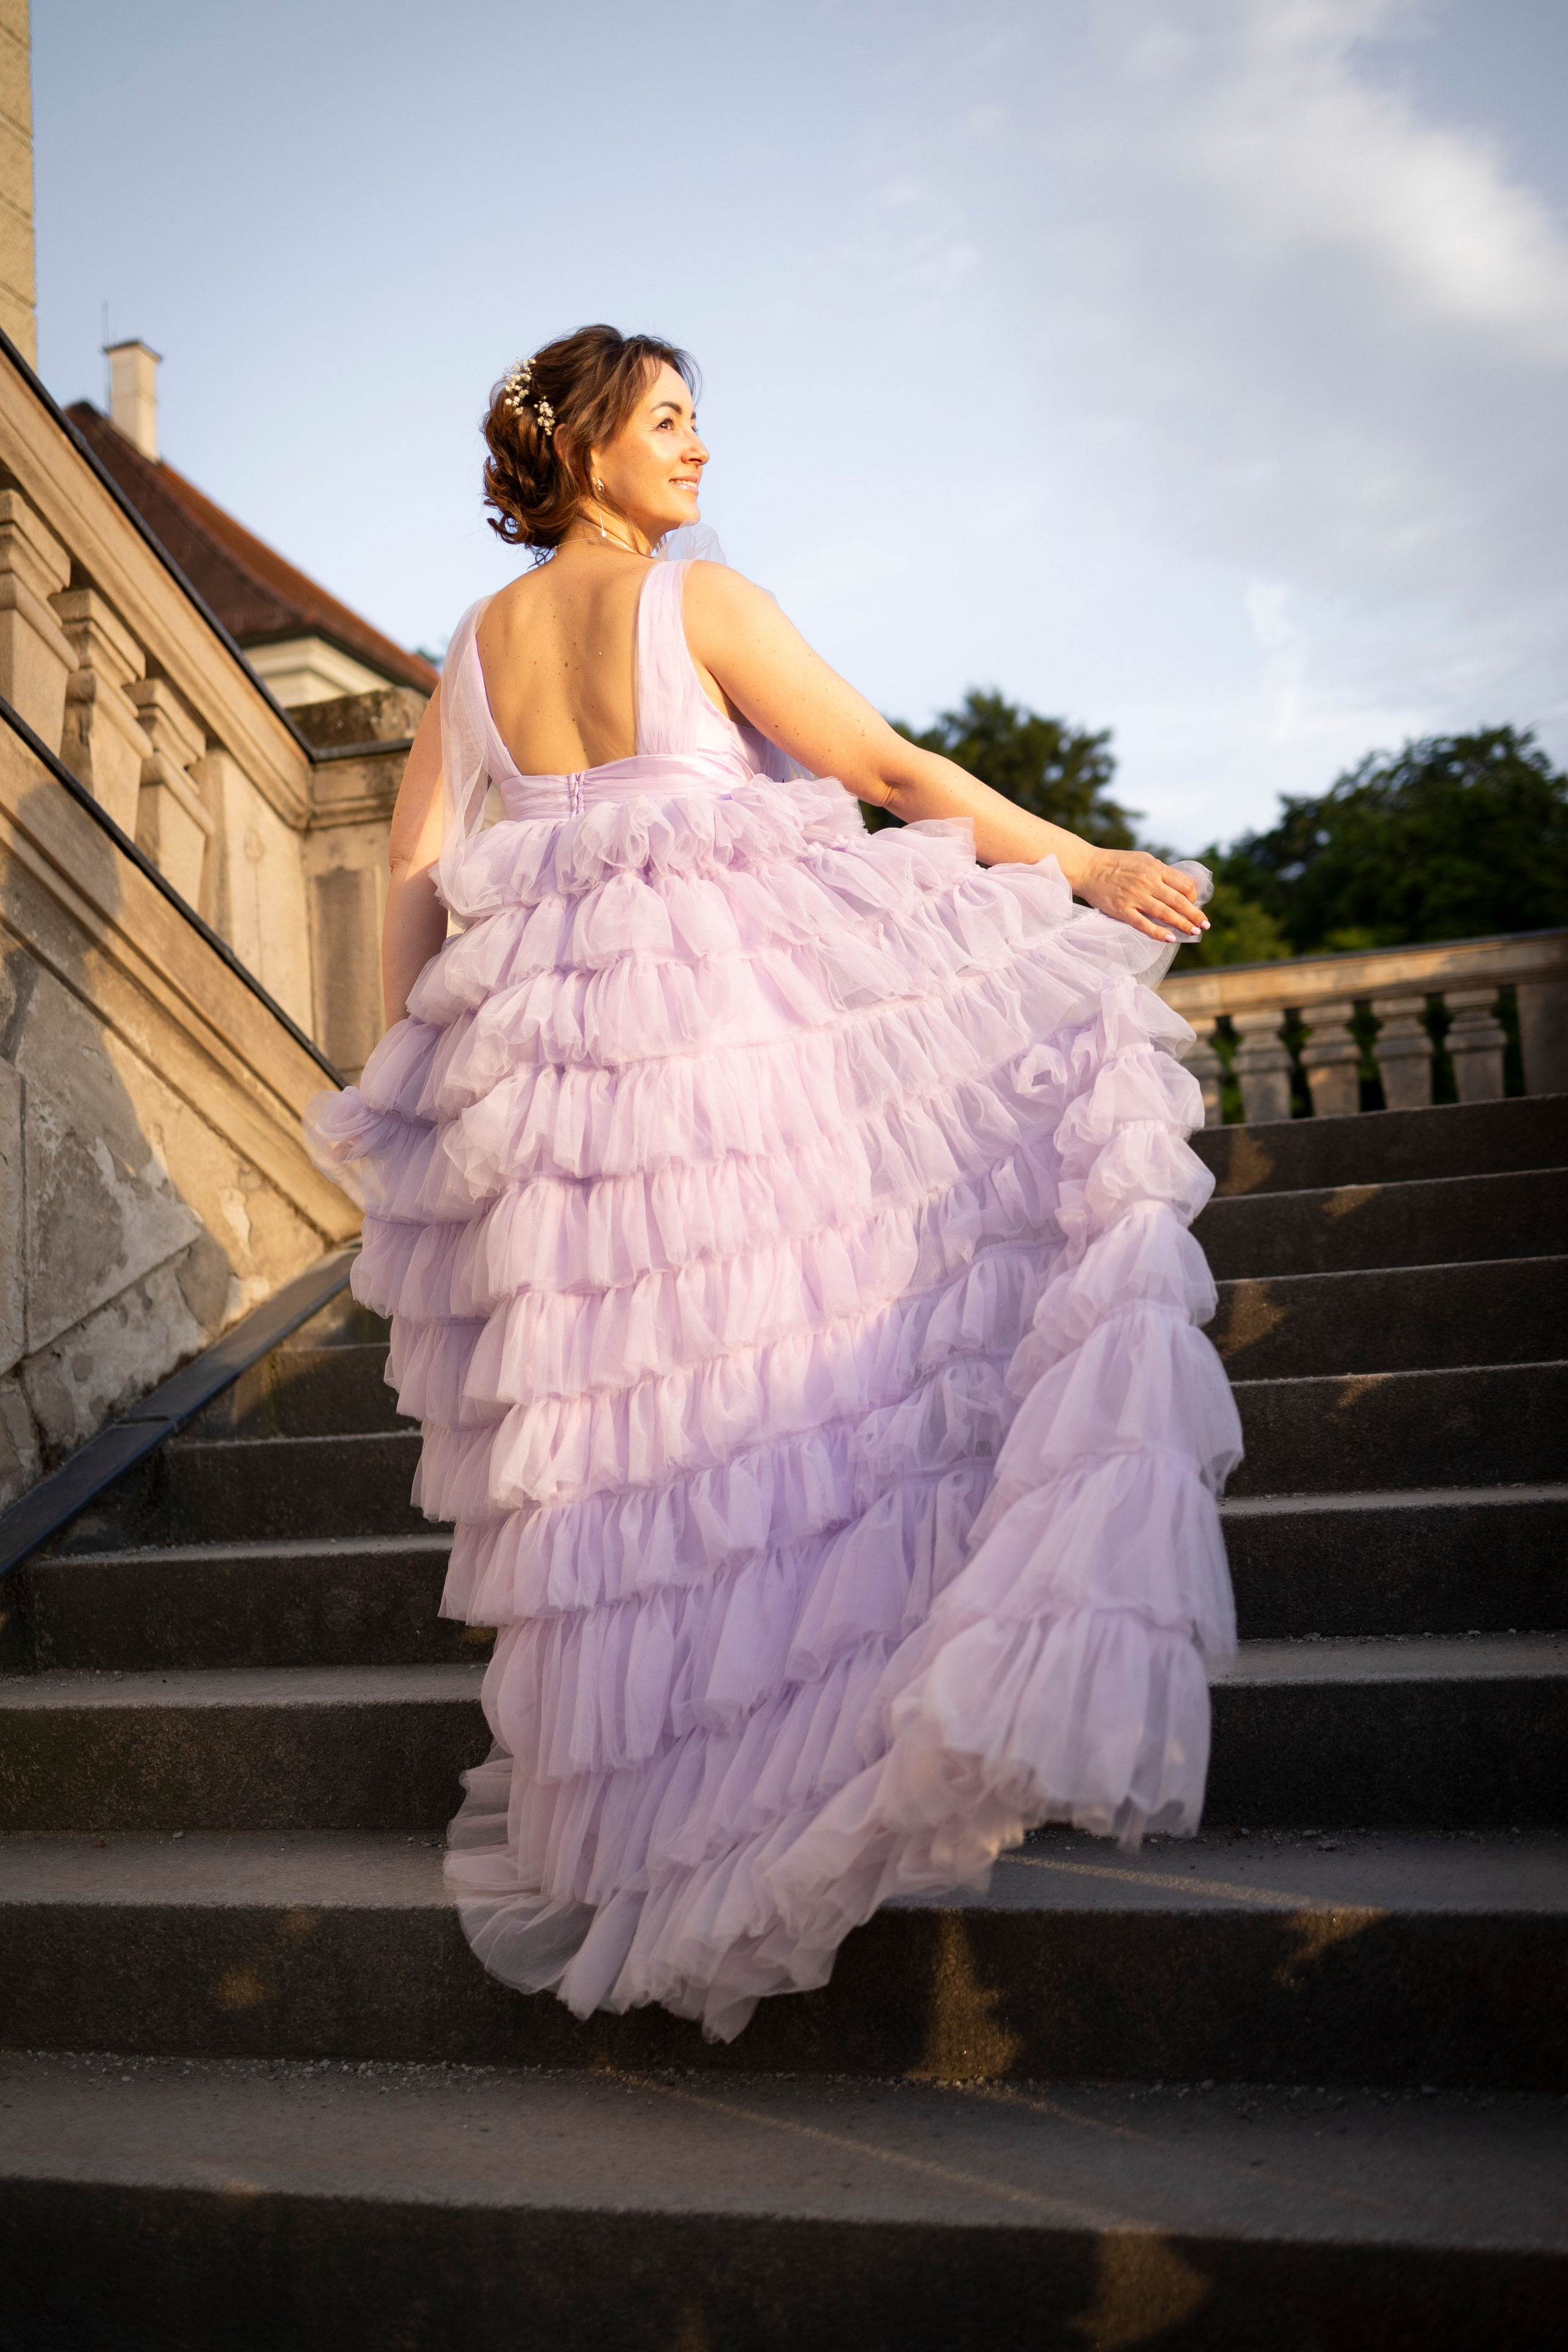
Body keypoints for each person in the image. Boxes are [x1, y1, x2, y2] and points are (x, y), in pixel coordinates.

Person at [306, 325, 1241, 2043]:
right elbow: (888, 776)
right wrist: (1089, 861)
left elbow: (421, 871)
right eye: (670, 420)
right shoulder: (701, 609)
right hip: (729, 1067)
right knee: (778, 1406)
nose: (699, 451)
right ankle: (810, 1796)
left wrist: (411, 1080)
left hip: (562, 1110)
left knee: (632, 1459)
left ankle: (673, 1842)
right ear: (586, 446)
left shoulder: (476, 651)